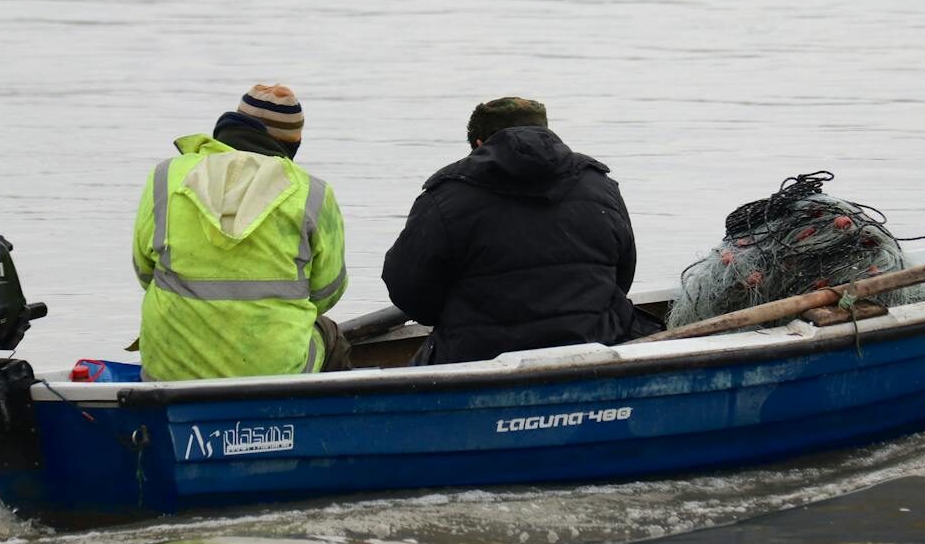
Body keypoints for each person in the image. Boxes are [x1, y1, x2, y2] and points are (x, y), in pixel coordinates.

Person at [382, 97, 659, 366]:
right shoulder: (601, 186)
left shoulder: (444, 197)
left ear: (479, 144)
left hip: (477, 354)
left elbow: (409, 292)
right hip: (598, 343)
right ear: (547, 132)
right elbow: (622, 276)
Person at [132, 83, 351, 380]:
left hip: (170, 368)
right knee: (330, 335)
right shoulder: (312, 192)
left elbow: (145, 272)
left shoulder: (167, 176)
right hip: (274, 371)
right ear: (292, 144)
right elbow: (327, 291)